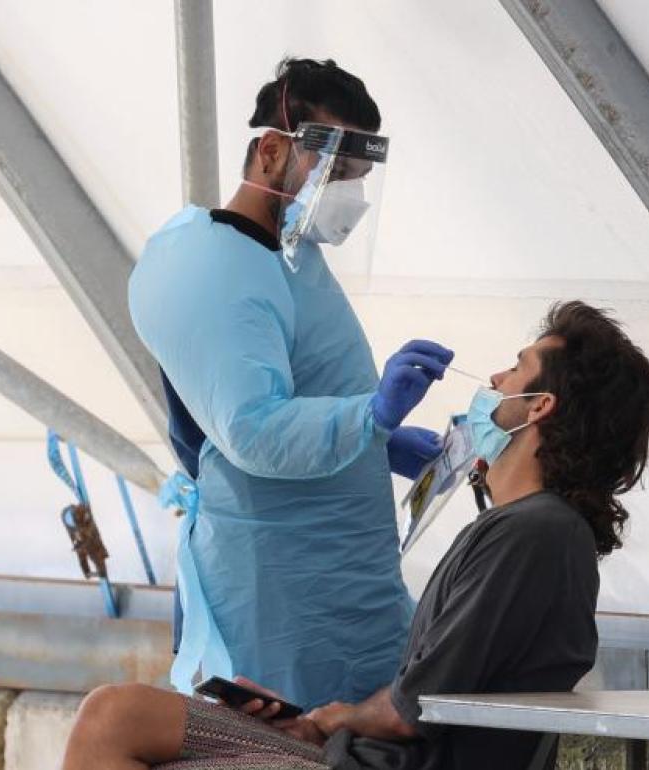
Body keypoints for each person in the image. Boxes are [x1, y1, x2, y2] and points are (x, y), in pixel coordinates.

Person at [64, 301, 649, 770]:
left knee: (112, 732)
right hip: (356, 753)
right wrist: (311, 720)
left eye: (515, 369)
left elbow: (413, 710)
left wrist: (327, 720)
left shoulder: (537, 532)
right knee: (116, 714)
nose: (494, 377)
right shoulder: (521, 527)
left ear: (540, 407)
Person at [128, 57, 453, 710]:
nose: (349, 196)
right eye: (337, 173)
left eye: (358, 179)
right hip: (277, 592)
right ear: (273, 151)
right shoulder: (213, 265)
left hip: (330, 573)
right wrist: (368, 417)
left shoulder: (289, 257)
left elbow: (301, 387)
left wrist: (374, 442)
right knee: (281, 740)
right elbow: (250, 428)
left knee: (351, 732)